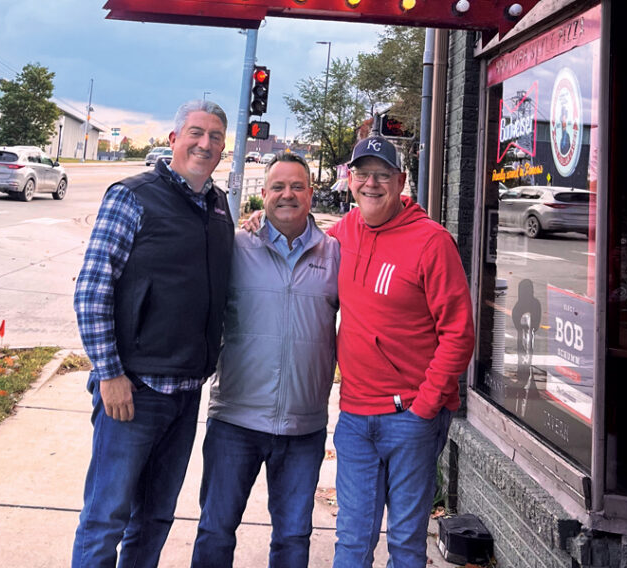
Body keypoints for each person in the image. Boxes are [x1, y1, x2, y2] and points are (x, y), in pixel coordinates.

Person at [71, 100, 234, 568]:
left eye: (215, 136)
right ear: (174, 139)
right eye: (196, 133)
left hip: (185, 393)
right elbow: (92, 289)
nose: (205, 143)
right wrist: (109, 373)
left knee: (156, 518)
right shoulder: (132, 196)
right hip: (133, 392)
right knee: (106, 517)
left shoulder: (217, 205)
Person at [331, 135, 475, 568]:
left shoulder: (431, 243)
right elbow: (298, 243)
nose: (371, 184)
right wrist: (259, 223)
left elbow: (459, 334)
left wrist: (425, 406)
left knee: (407, 544)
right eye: (362, 174)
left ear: (401, 181)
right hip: (355, 418)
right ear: (350, 180)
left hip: (410, 418)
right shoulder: (343, 233)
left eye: (382, 175)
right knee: (352, 542)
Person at [191, 152, 340, 568]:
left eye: (296, 186)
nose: (287, 195)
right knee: (215, 531)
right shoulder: (236, 248)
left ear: (311, 194)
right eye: (278, 187)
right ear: (264, 195)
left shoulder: (335, 256)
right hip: (235, 421)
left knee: (293, 538)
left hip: (303, 428)